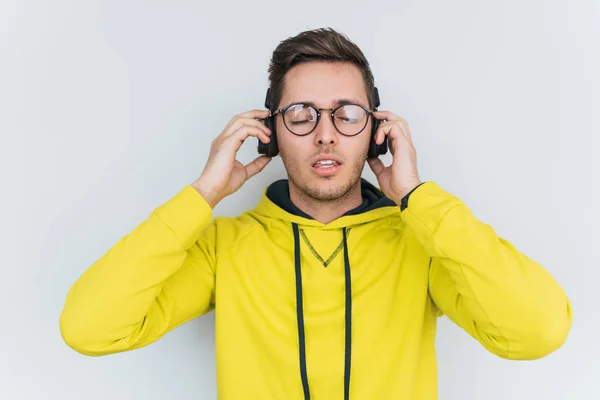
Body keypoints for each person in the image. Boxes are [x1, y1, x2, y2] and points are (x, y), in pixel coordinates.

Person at [60, 28, 572, 399]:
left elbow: (539, 329)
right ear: (270, 131)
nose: (325, 134)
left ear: (377, 131)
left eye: (347, 114)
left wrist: (418, 197)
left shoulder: (424, 244)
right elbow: (89, 327)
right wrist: (203, 194)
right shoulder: (223, 249)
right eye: (301, 115)